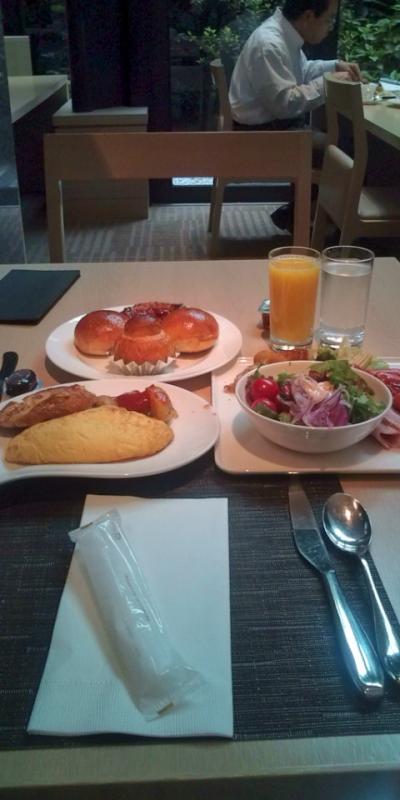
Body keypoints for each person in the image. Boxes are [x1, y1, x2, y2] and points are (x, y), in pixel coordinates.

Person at [229, 0, 362, 131]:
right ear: (308, 16)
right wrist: (328, 84)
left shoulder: (285, 34)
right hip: (259, 133)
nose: (331, 28)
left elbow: (302, 72)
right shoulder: (270, 45)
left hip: (276, 125)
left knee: (336, 137)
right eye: (329, 19)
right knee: (340, 140)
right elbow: (285, 105)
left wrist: (335, 66)